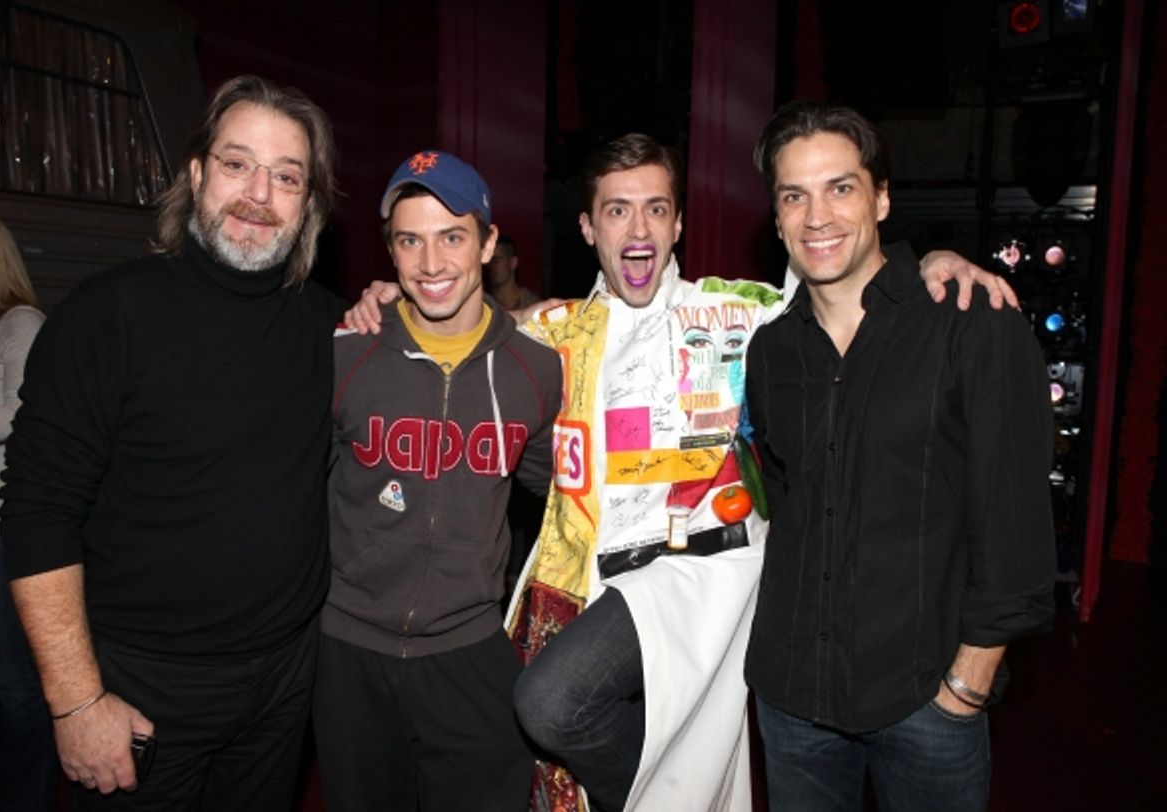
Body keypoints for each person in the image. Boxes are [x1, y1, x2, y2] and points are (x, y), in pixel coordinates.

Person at [346, 132, 1017, 812]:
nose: (637, 229)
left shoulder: (740, 310)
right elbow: (456, 319)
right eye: (616, 211)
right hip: (594, 579)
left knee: (551, 703)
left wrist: (934, 258)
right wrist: (387, 299)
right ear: (587, 227)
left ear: (678, 222)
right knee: (544, 729)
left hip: (708, 571)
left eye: (656, 209)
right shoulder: (548, 331)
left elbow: (840, 275)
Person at [0, 75, 346, 809]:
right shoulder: (106, 317)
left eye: (287, 176)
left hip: (285, 683)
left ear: (308, 203)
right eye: (236, 164)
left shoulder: (331, 328)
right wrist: (75, 703)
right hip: (139, 690)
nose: (259, 193)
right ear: (195, 175)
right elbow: (35, 516)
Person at [743, 99, 1056, 811]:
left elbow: (1015, 526)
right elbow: (789, 507)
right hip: (792, 698)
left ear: (881, 198)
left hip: (924, 700)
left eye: (841, 188)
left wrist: (966, 687)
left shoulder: (971, 323)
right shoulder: (771, 353)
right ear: (777, 216)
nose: (817, 216)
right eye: (795, 195)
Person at [313, 150, 560, 811]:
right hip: (348, 649)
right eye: (409, 241)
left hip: (469, 650)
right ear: (389, 254)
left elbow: (568, 498)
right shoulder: (344, 352)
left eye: (451, 237)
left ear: (487, 243)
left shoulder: (537, 370)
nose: (430, 264)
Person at [0, 207, 58, 811]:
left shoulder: (19, 323)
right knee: (2, 676)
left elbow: (27, 408)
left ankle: (27, 796)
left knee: (16, 682)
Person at [485, 233, 539, 311]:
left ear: (513, 263)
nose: (490, 265)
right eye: (488, 260)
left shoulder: (532, 304)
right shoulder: (482, 304)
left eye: (496, 260)